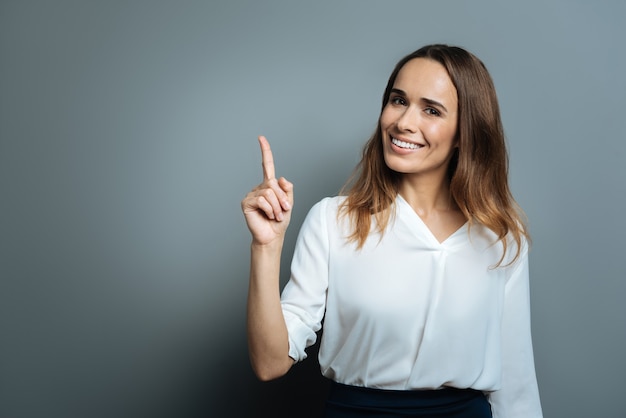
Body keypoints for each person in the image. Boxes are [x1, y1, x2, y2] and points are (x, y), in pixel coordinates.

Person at [241, 44, 543, 417]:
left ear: (465, 133)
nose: (403, 122)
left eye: (431, 110)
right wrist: (266, 247)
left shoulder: (502, 239)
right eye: (398, 100)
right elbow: (270, 363)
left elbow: (515, 382)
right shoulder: (333, 221)